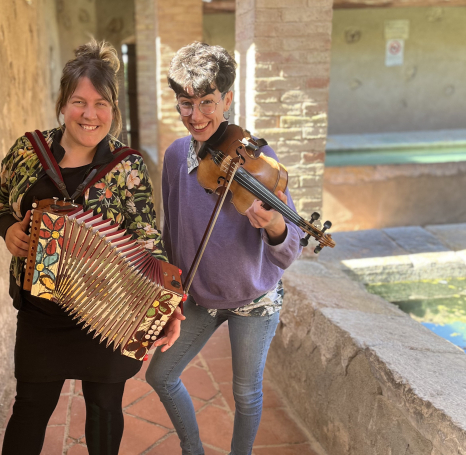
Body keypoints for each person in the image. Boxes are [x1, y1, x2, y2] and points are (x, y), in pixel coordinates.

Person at [0, 40, 166, 455]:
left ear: (113, 110)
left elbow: (147, 239)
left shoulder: (127, 167)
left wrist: (164, 304)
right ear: (63, 104)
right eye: (79, 101)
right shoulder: (27, 152)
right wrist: (8, 227)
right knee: (31, 406)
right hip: (41, 313)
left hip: (106, 315)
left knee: (104, 407)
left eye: (101, 103)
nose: (90, 114)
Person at [146, 42, 303, 455]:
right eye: (185, 103)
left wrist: (272, 225)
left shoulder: (258, 158)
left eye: (207, 102)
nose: (196, 116)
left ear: (227, 99)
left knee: (247, 394)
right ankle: (192, 449)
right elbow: (170, 232)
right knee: (160, 376)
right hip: (201, 296)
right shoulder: (177, 155)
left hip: (254, 297)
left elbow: (289, 249)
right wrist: (170, 292)